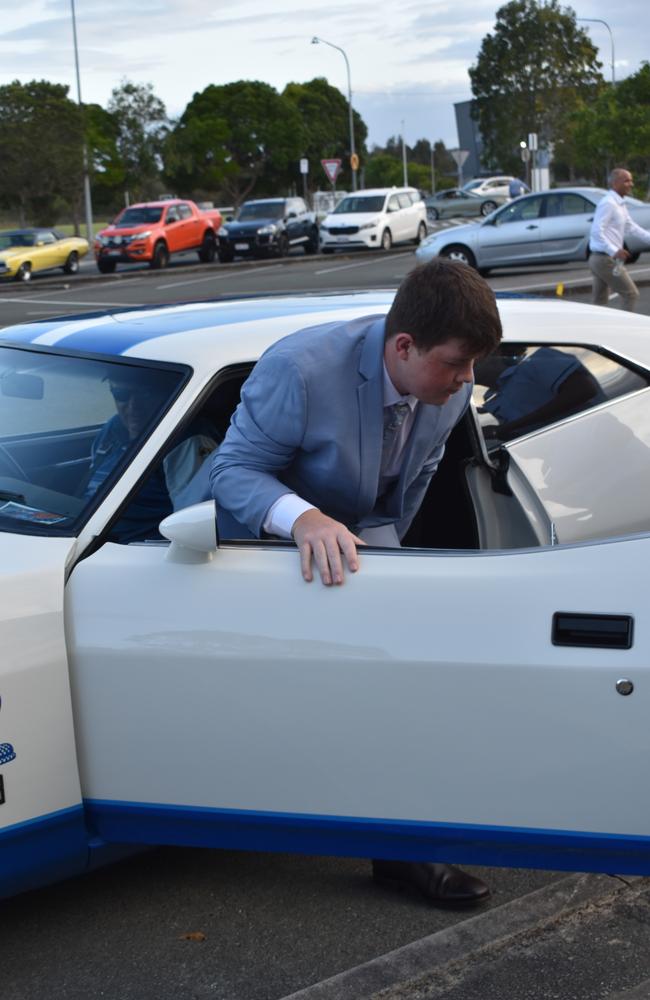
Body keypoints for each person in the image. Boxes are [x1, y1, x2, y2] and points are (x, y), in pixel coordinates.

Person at [210, 258, 503, 907]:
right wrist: (305, 520)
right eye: (456, 364)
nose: (467, 380)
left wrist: (386, 564)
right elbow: (230, 472)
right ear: (403, 346)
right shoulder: (301, 367)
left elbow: (408, 491)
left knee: (400, 685)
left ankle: (404, 849)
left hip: (360, 541)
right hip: (258, 545)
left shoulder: (445, 392)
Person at [476, 346, 603, 442]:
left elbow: (584, 390)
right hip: (561, 457)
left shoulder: (538, 361)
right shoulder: (494, 400)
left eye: (472, 359)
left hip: (599, 438)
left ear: (494, 352)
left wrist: (504, 429)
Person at [589, 167, 650, 312]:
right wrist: (615, 250)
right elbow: (596, 231)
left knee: (599, 303)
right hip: (604, 259)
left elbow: (632, 227)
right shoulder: (608, 203)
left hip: (601, 259)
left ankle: (596, 332)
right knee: (630, 294)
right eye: (627, 181)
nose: (631, 184)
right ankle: (623, 331)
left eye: (631, 180)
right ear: (615, 183)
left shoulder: (619, 204)